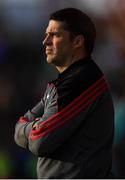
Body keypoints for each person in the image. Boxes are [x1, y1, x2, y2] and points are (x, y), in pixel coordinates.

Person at [14, 8, 114, 178]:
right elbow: (18, 128)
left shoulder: (82, 82)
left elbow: (40, 141)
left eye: (54, 35)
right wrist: (36, 126)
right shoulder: (64, 83)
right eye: (46, 34)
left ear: (77, 41)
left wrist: (33, 128)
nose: (45, 41)